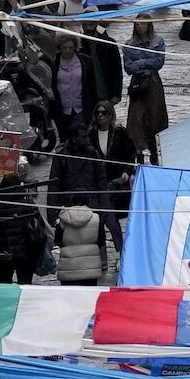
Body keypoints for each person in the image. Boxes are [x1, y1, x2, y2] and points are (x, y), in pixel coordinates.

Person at [85, 101, 140, 251]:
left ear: (111, 115)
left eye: (104, 113)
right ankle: (111, 253)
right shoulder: (90, 135)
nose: (101, 116)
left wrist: (127, 172)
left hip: (116, 182)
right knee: (102, 220)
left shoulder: (121, 133)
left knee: (112, 219)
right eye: (98, 113)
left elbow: (130, 154)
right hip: (98, 184)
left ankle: (121, 251)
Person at [0, 175, 47, 284]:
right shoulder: (27, 204)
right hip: (25, 253)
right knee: (25, 285)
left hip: (3, 254)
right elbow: (40, 225)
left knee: (4, 287)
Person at [123, 16, 169, 162]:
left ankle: (155, 151)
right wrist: (146, 65)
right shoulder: (128, 44)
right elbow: (128, 67)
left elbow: (159, 62)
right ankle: (138, 153)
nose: (140, 27)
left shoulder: (158, 41)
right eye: (138, 24)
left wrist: (140, 62)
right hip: (137, 84)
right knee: (136, 118)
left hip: (153, 84)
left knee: (156, 117)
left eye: (143, 24)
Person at [52, 35, 98, 136]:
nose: (68, 50)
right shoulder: (53, 62)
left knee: (81, 136)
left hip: (81, 108)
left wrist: (94, 107)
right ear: (60, 47)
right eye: (65, 47)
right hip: (62, 109)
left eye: (71, 48)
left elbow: (92, 86)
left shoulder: (86, 61)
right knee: (65, 138)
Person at [56, 204, 108, 285]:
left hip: (69, 267)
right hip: (90, 267)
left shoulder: (63, 220)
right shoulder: (96, 219)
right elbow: (101, 240)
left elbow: (58, 240)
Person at [86, 22, 125, 112]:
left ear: (96, 24)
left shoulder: (108, 43)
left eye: (90, 24)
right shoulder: (80, 45)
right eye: (85, 25)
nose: (88, 28)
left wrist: (117, 94)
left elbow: (117, 71)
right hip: (89, 94)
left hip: (106, 92)